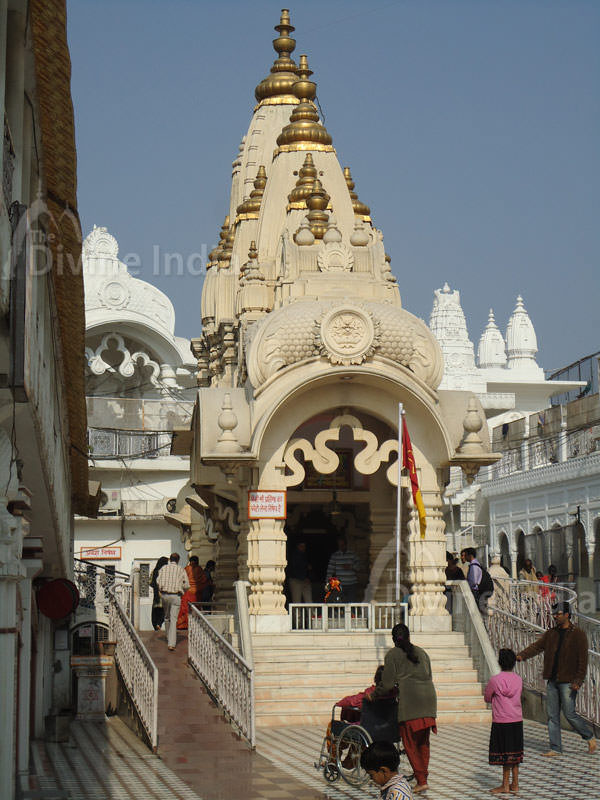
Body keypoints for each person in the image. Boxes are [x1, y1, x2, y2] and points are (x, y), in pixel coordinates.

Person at [516, 601, 596, 757]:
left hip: (568, 681)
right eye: (554, 614)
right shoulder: (551, 633)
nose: (555, 617)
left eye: (558, 614)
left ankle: (589, 736)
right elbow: (537, 646)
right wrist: (521, 655)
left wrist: (578, 681)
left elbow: (583, 660)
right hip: (552, 680)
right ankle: (555, 748)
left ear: (567, 615)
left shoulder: (578, 634)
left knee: (569, 713)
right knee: (552, 715)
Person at [367, 623, 437, 794]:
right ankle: (423, 779)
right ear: (409, 636)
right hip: (429, 701)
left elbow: (387, 684)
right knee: (423, 743)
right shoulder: (421, 652)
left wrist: (374, 695)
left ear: (393, 639)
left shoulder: (392, 655)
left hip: (410, 704)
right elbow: (429, 676)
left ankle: (421, 780)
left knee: (410, 743)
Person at [484, 649, 523, 794]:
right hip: (517, 720)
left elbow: (487, 697)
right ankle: (515, 783)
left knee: (505, 753)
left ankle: (505, 785)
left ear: (500, 663)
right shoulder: (518, 679)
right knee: (515, 753)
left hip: (501, 720)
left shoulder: (495, 680)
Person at [157, 553, 189, 651]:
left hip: (165, 595)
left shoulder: (163, 569)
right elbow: (187, 585)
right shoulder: (181, 570)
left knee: (167, 617)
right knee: (174, 619)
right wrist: (182, 590)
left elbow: (158, 581)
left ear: (170, 559)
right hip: (176, 596)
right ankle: (171, 643)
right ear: (178, 560)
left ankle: (168, 637)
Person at [176, 555, 207, 630]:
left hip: (187, 592)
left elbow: (180, 579)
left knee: (185, 608)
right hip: (196, 592)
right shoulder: (200, 569)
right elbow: (204, 581)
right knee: (195, 609)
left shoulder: (186, 569)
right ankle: (194, 625)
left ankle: (183, 625)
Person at [326, 536, 360, 602]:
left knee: (351, 603)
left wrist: (351, 567)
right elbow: (330, 570)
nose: (341, 546)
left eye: (342, 545)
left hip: (352, 584)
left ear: (346, 545)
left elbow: (359, 566)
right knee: (339, 603)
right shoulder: (335, 555)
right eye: (339, 545)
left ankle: (351, 612)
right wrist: (328, 582)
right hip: (340, 584)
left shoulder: (353, 554)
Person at [461, 547, 493, 614]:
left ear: (470, 555)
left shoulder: (474, 566)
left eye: (466, 555)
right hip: (479, 592)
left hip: (477, 592)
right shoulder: (475, 564)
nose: (465, 557)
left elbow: (473, 581)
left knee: (478, 612)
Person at [150, 556, 168, 630]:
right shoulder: (166, 571)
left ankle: (156, 625)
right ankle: (159, 624)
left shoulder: (154, 571)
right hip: (164, 593)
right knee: (163, 611)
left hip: (156, 594)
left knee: (155, 610)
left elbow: (150, 582)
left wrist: (155, 587)